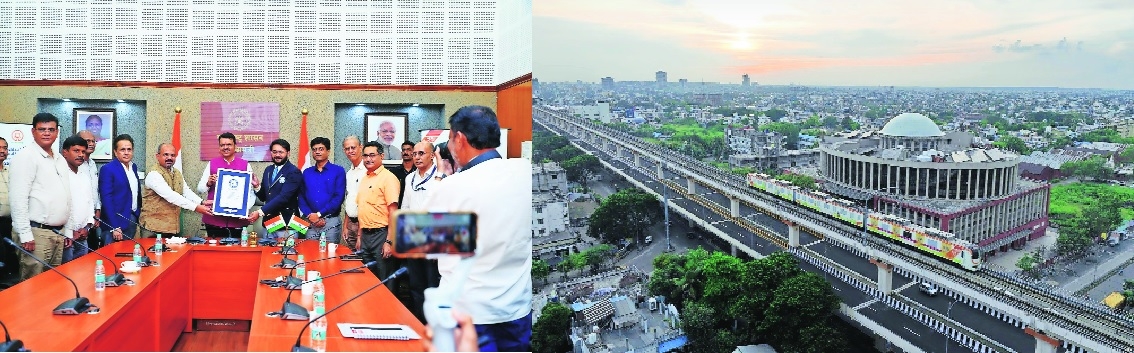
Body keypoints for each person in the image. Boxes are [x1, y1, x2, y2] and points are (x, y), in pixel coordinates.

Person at [422, 106, 532, 351]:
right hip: (517, 311)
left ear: (459, 138)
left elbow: (424, 242)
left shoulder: (451, 187)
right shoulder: (525, 171)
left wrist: (441, 176)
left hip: (466, 314)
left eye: (450, 139)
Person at [9, 113, 72, 281]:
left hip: (57, 233)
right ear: (33, 131)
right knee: (32, 286)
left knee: (51, 285)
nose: (46, 133)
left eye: (51, 129)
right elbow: (17, 199)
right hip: (35, 233)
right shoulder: (25, 157)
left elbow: (67, 196)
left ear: (57, 132)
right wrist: (25, 234)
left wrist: (68, 230)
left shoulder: (59, 159)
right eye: (42, 129)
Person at [399, 141, 442, 324]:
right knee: (415, 284)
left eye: (421, 153)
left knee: (432, 285)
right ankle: (419, 324)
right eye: (414, 153)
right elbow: (405, 207)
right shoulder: (410, 178)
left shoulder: (441, 176)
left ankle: (434, 326)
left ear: (432, 155)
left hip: (433, 239)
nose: (416, 157)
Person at [141, 144, 213, 236]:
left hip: (171, 228)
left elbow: (185, 191)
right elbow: (171, 196)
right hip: (153, 228)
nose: (169, 158)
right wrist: (196, 207)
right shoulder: (154, 174)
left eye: (172, 155)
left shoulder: (177, 172)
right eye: (165, 155)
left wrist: (202, 202)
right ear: (157, 156)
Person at [197, 132, 259, 238]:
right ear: (219, 147)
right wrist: (208, 183)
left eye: (229, 144)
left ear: (235, 147)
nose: (225, 147)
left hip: (237, 220)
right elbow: (200, 189)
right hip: (214, 219)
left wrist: (244, 209)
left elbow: (250, 193)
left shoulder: (245, 165)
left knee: (237, 248)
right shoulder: (212, 163)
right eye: (222, 145)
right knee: (214, 248)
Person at [356, 141, 400, 279]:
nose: (368, 159)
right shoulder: (365, 179)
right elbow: (362, 208)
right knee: (368, 279)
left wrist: (389, 242)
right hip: (365, 235)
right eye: (365, 156)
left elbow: (393, 212)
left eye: (372, 155)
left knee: (385, 278)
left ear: (382, 156)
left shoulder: (388, 178)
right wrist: (359, 237)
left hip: (382, 235)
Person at [247, 139, 302, 242]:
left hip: (287, 224)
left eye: (281, 152)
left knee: (286, 251)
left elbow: (283, 197)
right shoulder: (268, 170)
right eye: (274, 152)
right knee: (267, 251)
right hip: (269, 223)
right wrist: (257, 186)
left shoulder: (294, 172)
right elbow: (264, 197)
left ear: (288, 153)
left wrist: (259, 212)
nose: (277, 155)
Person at [299, 137, 345, 242]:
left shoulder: (338, 171)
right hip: (310, 221)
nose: (317, 152)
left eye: (321, 149)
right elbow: (301, 196)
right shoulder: (307, 172)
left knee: (330, 251)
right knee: (309, 251)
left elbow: (339, 197)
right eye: (314, 149)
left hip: (330, 221)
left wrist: (319, 214)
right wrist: (310, 215)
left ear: (328, 151)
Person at [98, 134, 142, 244]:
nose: (126, 152)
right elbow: (106, 199)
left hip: (131, 218)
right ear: (115, 152)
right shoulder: (108, 169)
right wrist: (114, 226)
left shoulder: (133, 167)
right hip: (115, 223)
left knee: (127, 252)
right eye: (122, 150)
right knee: (112, 253)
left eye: (129, 149)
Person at [61, 135, 94, 264]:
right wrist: (70, 232)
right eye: (76, 151)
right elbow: (62, 206)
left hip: (83, 235)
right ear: (65, 152)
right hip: (66, 236)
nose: (81, 155)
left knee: (82, 271)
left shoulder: (84, 176)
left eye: (83, 152)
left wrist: (87, 228)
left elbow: (89, 202)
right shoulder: (60, 175)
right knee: (66, 272)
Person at [77, 131, 102, 251]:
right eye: (88, 141)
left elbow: (95, 190)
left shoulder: (92, 163)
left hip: (93, 218)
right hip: (80, 219)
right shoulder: (74, 165)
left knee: (93, 251)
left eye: (93, 141)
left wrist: (98, 211)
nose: (91, 144)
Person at [341, 136, 365, 251]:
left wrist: (360, 234)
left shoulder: (368, 171)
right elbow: (349, 200)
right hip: (351, 223)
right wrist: (345, 226)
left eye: (353, 147)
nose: (350, 151)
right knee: (352, 258)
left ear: (361, 147)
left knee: (364, 258)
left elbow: (365, 203)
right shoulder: (349, 173)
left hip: (364, 225)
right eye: (347, 149)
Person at [0, 137, 16, 280]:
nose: (2, 151)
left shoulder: (11, 171)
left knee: (11, 256)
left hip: (10, 222)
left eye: (5, 148)